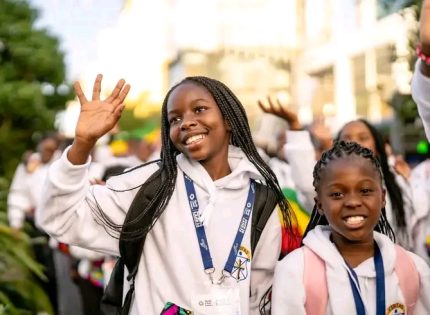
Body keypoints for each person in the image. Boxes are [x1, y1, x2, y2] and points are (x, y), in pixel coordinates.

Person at [37, 74, 295, 314]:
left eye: (199, 109)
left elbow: (260, 295)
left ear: (228, 118)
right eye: (175, 119)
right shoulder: (148, 186)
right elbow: (60, 218)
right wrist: (82, 144)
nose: (187, 123)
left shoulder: (262, 200)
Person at [271, 141, 430, 315]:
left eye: (365, 190)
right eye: (337, 194)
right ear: (319, 204)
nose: (353, 202)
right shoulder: (295, 271)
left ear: (383, 197)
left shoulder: (412, 269)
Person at [337, 119, 427, 252]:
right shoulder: (328, 186)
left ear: (378, 148)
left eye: (363, 138)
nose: (354, 143)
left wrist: (410, 180)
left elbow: (421, 210)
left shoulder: (396, 180)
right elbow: (308, 188)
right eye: (347, 138)